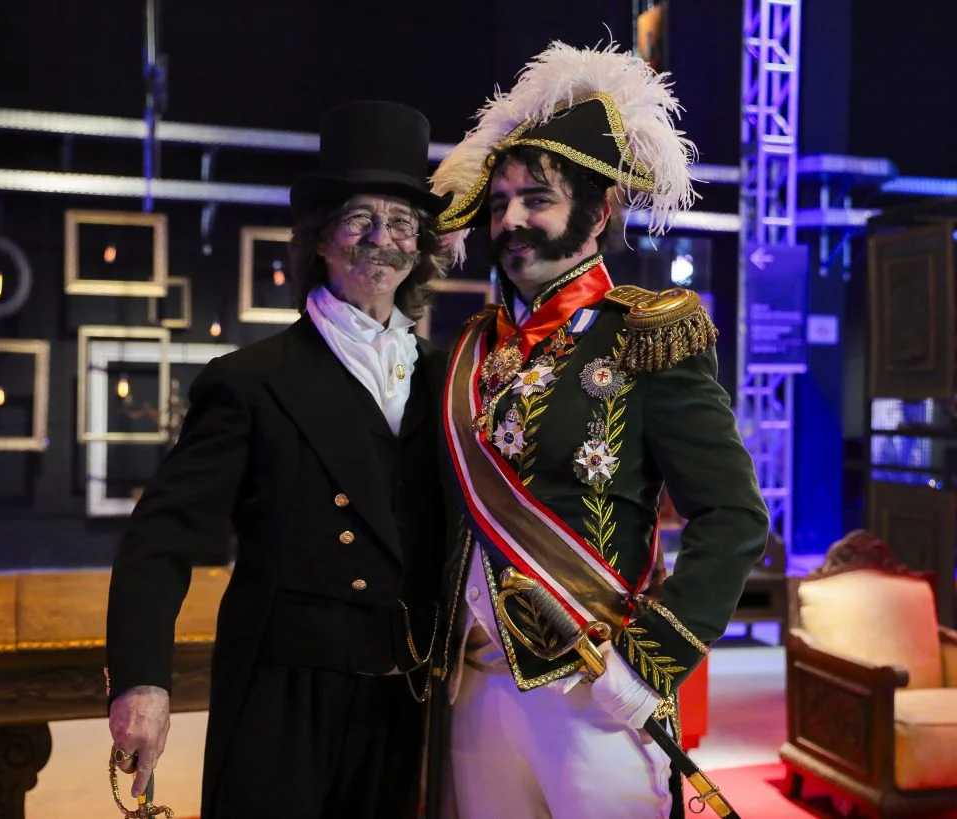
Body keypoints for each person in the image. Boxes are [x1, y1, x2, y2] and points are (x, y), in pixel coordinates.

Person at [426, 41, 770, 819]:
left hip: (595, 694)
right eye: (499, 202)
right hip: (475, 690)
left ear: (600, 209)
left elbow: (735, 516)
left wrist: (650, 662)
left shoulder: (648, 335)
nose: (511, 220)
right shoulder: (471, 349)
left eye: (536, 198)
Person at [106, 100, 451, 819]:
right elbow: (161, 536)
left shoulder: (447, 379)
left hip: (406, 695)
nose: (380, 239)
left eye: (401, 222)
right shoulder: (250, 381)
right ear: (320, 237)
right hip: (282, 696)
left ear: (419, 247)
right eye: (359, 218)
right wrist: (142, 680)